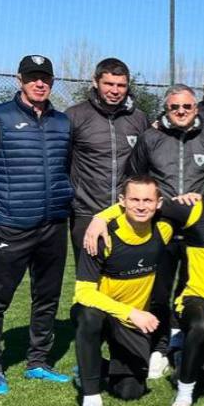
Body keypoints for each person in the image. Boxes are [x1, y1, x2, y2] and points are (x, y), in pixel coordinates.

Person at [88, 152, 204, 406]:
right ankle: (182, 397)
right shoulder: (193, 208)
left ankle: (187, 358)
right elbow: (145, 205)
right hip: (198, 299)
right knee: (203, 325)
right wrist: (100, 217)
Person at [0, 55, 74, 394]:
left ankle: (38, 362)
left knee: (47, 297)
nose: (39, 83)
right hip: (12, 226)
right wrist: (0, 203)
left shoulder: (63, 122)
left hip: (53, 224)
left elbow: (68, 167)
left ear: (52, 82)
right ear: (19, 80)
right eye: (32, 77)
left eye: (45, 78)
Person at [123, 84, 204, 370]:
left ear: (196, 108)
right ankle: (158, 347)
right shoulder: (150, 138)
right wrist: (162, 203)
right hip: (160, 227)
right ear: (166, 109)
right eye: (174, 107)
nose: (181, 111)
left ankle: (181, 344)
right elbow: (134, 178)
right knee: (158, 290)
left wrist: (202, 201)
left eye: (187, 106)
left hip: (197, 230)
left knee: (190, 290)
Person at [72, 175, 172, 406]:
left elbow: (202, 206)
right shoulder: (101, 235)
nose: (141, 206)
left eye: (147, 200)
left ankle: (91, 365)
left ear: (159, 203)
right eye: (134, 199)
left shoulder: (164, 228)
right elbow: (83, 293)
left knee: (130, 391)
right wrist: (130, 312)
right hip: (104, 313)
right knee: (89, 316)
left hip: (130, 321)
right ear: (122, 201)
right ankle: (91, 401)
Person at [65, 57, 149, 258]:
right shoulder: (75, 115)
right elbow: (61, 162)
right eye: (109, 84)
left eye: (121, 85)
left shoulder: (139, 118)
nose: (115, 90)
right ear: (95, 82)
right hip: (86, 212)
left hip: (126, 212)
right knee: (89, 272)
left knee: (127, 273)